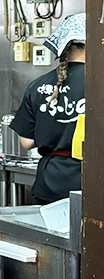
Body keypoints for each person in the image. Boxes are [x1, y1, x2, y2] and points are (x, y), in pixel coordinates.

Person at [11, 12, 86, 204]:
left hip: (50, 183)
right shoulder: (98, 83)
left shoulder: (37, 86)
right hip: (91, 183)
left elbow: (27, 142)